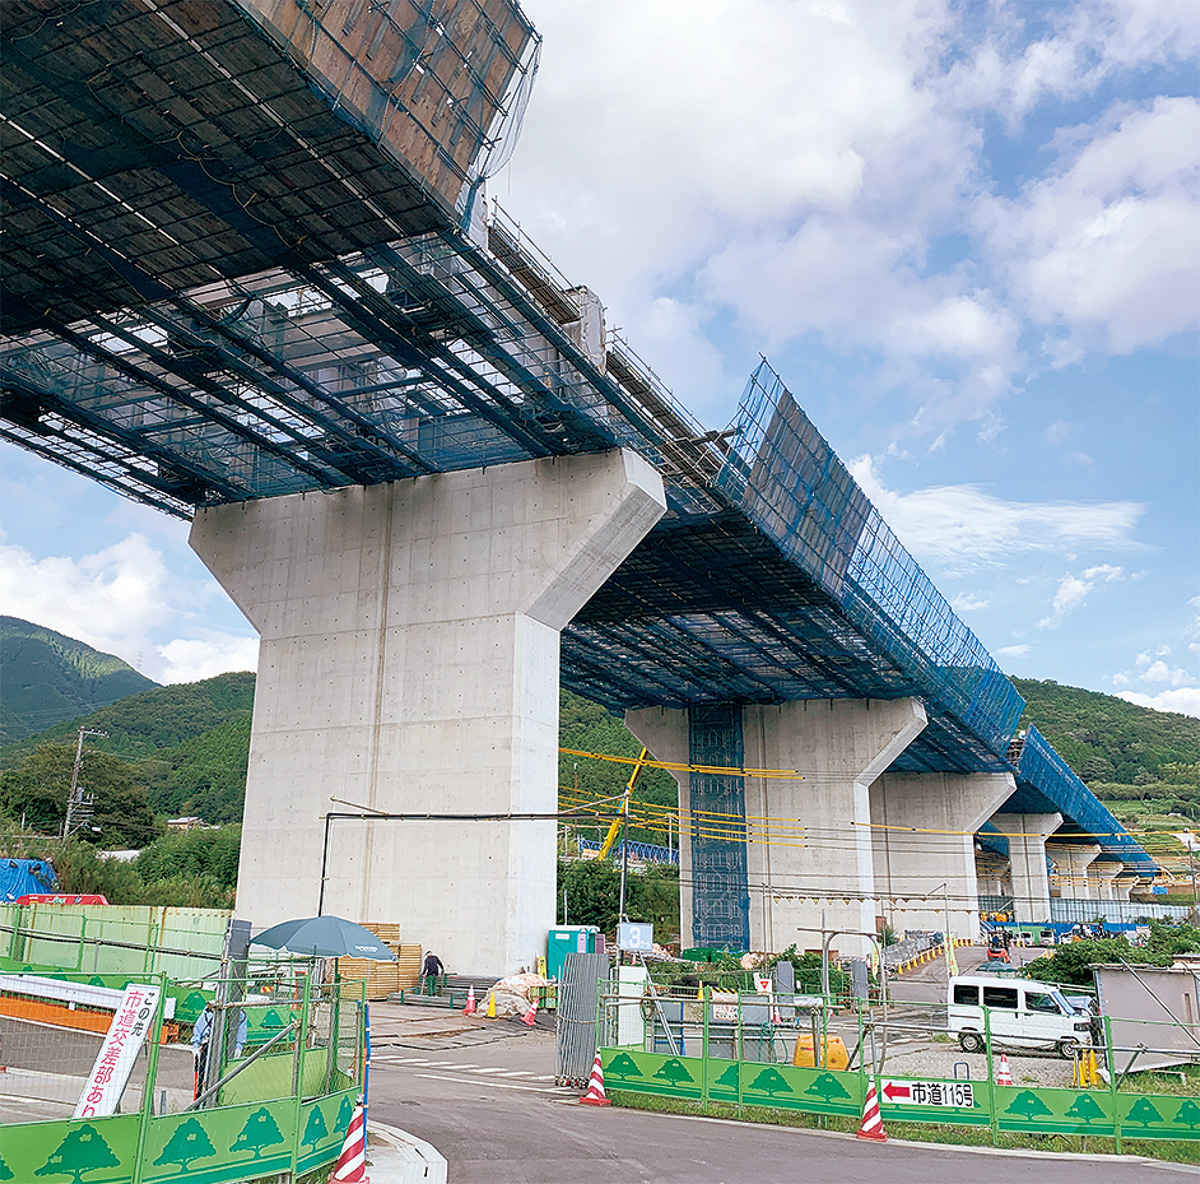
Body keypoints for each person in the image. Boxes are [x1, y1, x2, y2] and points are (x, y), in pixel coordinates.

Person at [191, 1002, 248, 1098]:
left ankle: (217, 1099)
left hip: (227, 1046)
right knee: (203, 1075)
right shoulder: (211, 1009)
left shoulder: (240, 1013)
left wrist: (238, 1046)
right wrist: (196, 1044)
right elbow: (200, 1026)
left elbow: (241, 1029)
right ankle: (200, 1100)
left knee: (223, 1077)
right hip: (209, 1045)